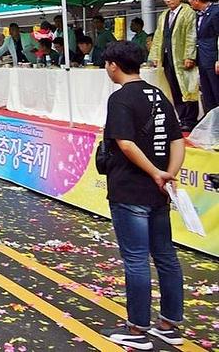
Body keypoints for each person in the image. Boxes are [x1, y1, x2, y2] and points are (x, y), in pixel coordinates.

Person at [99, 41, 185, 350]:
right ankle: (170, 324)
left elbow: (125, 143)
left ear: (113, 65)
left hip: (130, 188)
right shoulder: (158, 95)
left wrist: (153, 172)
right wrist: (167, 174)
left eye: (107, 65)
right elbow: (177, 139)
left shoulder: (120, 98)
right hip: (159, 191)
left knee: (135, 259)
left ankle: (137, 329)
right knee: (165, 256)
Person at [148, 0, 200, 131]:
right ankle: (182, 118)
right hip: (167, 56)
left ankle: (190, 120)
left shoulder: (188, 12)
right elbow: (158, 36)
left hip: (182, 56)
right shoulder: (164, 14)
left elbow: (191, 35)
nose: (168, 0)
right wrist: (155, 56)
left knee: (188, 87)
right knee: (174, 89)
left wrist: (190, 56)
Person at [189, 0, 219, 117]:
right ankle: (212, 126)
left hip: (213, 59)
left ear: (196, 0)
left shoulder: (216, 12)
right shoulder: (198, 15)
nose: (189, 2)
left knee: (217, 91)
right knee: (207, 94)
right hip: (202, 59)